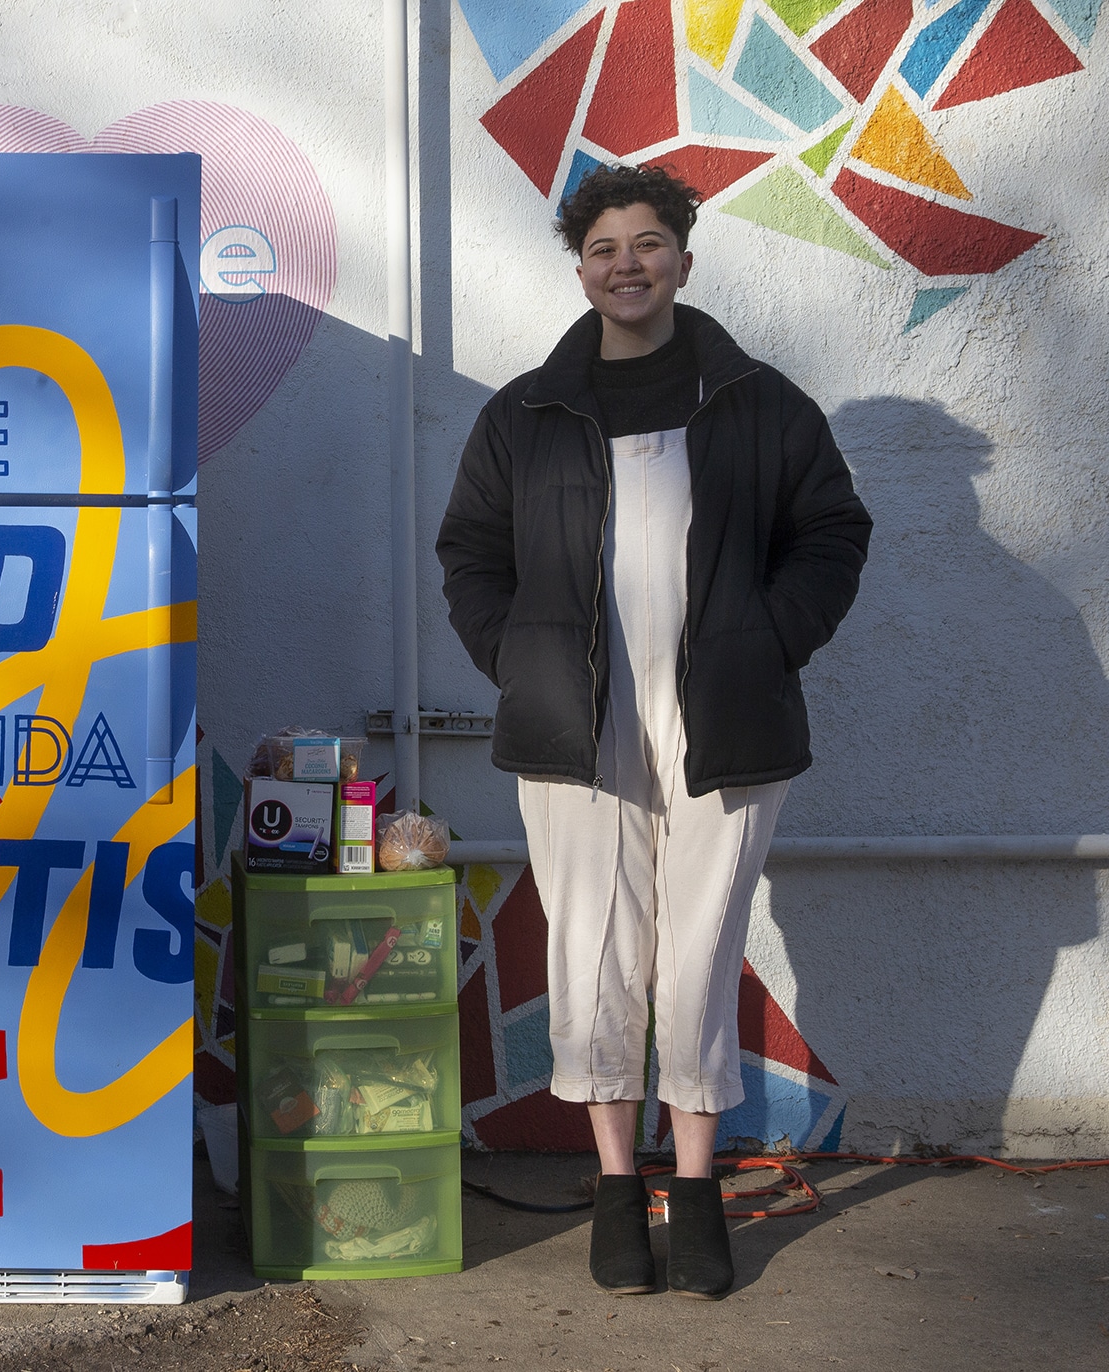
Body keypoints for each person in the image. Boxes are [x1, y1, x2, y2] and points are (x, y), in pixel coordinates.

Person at [434, 164, 871, 1298]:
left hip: (725, 713)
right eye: (603, 248)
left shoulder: (758, 400)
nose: (626, 264)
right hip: (575, 719)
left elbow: (831, 529)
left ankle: (697, 1185)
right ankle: (619, 1188)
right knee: (592, 951)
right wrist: (516, 656)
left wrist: (771, 639)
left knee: (698, 952)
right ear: (578, 269)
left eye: (648, 243)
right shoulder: (523, 412)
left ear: (684, 253)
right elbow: (471, 556)